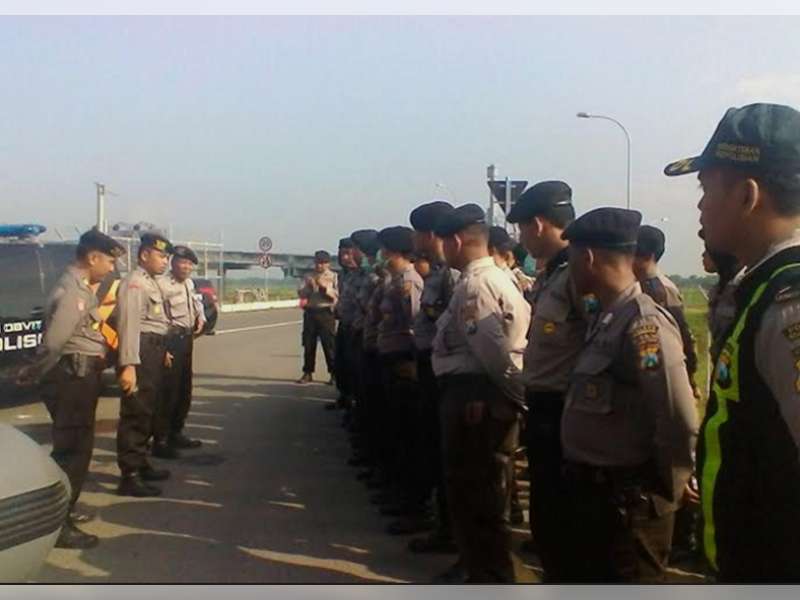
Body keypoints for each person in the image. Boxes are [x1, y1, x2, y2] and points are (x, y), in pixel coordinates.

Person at [664, 102, 800, 582]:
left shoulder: (789, 300)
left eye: (706, 189)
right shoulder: (761, 287)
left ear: (747, 195)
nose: (699, 206)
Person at [559, 207, 698, 582]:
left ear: (587, 258)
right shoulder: (607, 317)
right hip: (594, 497)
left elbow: (678, 417)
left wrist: (666, 490)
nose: (569, 269)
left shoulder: (643, 324)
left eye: (571, 258)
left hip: (626, 505)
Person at [432, 204, 532, 583]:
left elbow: (495, 356)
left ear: (456, 241)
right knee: (474, 489)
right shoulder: (488, 279)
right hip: (481, 393)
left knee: (477, 491)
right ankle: (478, 569)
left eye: (444, 242)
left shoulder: (477, 286)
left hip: (479, 396)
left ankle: (488, 576)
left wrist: (519, 400)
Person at [17, 228, 125, 549]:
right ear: (92, 258)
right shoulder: (74, 293)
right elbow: (54, 343)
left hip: (80, 377)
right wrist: (35, 372)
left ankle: (65, 511)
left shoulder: (82, 289)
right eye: (108, 260)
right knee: (72, 452)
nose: (111, 267)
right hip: (73, 378)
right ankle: (57, 522)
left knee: (77, 448)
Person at [505, 180, 587, 579]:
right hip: (544, 404)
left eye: (522, 228)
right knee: (547, 507)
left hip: (566, 408)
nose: (522, 237)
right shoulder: (554, 273)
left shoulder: (579, 273)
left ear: (537, 224)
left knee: (561, 514)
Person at [407, 200, 459, 555]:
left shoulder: (454, 275)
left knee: (449, 459)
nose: (415, 239)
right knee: (431, 447)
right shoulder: (438, 272)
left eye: (417, 232)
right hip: (430, 365)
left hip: (448, 374)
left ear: (429, 234)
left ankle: (451, 533)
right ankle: (441, 524)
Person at [374, 226, 426, 535]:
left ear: (393, 252)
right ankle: (399, 493)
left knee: (407, 436)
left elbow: (416, 325)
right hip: (392, 361)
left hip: (404, 364)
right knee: (394, 430)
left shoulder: (408, 281)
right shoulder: (395, 281)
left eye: (384, 251)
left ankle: (412, 504)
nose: (381, 256)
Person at [115, 232, 174, 497]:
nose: (165, 262)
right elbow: (129, 326)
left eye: (167, 257)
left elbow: (157, 322)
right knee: (136, 413)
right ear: (144, 255)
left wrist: (163, 351)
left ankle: (141, 462)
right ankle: (129, 475)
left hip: (153, 351)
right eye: (161, 256)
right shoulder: (135, 283)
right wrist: (128, 364)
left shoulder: (152, 282)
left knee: (149, 410)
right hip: (139, 352)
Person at [634, 225, 700, 397]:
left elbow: (682, 333)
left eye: (634, 254)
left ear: (648, 256)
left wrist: (690, 376)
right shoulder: (636, 284)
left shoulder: (663, 289)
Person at [153, 245, 206, 458]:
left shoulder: (189, 284)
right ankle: (161, 440)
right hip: (170, 340)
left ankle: (176, 432)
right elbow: (158, 318)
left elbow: (196, 302)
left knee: (184, 390)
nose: (186, 267)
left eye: (189, 264)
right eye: (182, 262)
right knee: (168, 392)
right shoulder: (162, 285)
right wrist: (163, 348)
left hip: (186, 339)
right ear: (173, 263)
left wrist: (200, 316)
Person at [296, 250, 338, 385]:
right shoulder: (309, 276)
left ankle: (333, 373)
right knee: (308, 344)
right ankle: (307, 372)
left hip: (326, 312)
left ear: (328, 264)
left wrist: (323, 287)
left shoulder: (333, 276)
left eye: (322, 263)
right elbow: (301, 293)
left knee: (329, 345)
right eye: (317, 262)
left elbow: (336, 295)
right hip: (311, 312)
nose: (319, 266)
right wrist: (308, 287)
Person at [331, 238, 359, 410]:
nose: (345, 258)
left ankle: (352, 400)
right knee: (340, 362)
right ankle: (343, 396)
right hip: (344, 322)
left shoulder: (360, 274)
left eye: (348, 254)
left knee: (352, 364)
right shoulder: (342, 275)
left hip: (355, 325)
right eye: (342, 254)